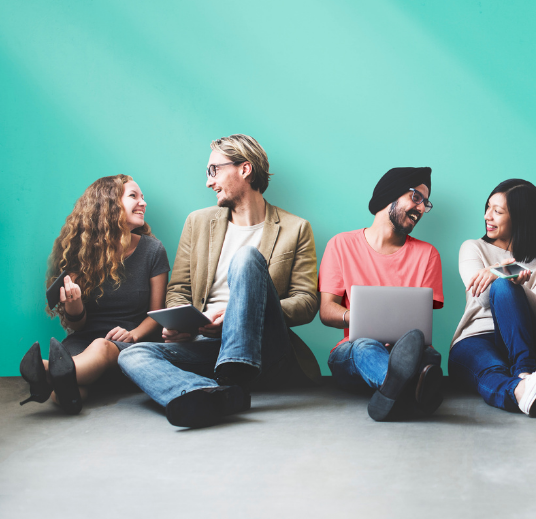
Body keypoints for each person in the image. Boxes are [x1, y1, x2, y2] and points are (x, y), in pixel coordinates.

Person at [118, 134, 319, 428]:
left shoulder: (296, 228)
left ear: (245, 169)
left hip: (266, 347)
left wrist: (241, 314)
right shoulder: (198, 222)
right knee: (132, 355)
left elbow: (307, 302)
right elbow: (178, 291)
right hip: (208, 344)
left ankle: (233, 371)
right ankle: (212, 392)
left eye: (214, 170)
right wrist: (180, 325)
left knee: (247, 258)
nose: (209, 182)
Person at [19, 175, 169, 415]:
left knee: (101, 347)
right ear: (109, 206)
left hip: (132, 345)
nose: (143, 202)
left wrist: (132, 334)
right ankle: (65, 382)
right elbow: (78, 326)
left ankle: (44, 370)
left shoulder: (153, 250)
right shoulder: (82, 255)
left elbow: (158, 314)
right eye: (133, 196)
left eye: (142, 197)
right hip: (83, 342)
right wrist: (74, 303)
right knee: (64, 391)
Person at [319, 166, 445, 421]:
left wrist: (401, 341)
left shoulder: (427, 254)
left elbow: (421, 323)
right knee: (365, 345)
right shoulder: (341, 244)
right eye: (416, 197)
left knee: (426, 353)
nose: (421, 208)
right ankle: (410, 389)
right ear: (391, 194)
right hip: (353, 353)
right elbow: (326, 310)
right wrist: (362, 320)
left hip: (405, 351)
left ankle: (393, 393)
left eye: (425, 203)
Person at [449, 179, 536, 416]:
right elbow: (482, 297)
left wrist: (510, 276)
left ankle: (524, 373)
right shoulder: (473, 248)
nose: (488, 216)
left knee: (506, 287)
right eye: (488, 207)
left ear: (521, 218)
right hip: (476, 339)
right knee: (491, 370)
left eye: (497, 211)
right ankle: (523, 388)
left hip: (524, 342)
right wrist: (503, 270)